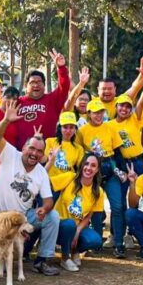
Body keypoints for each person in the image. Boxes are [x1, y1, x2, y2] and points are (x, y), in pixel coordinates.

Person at [0, 100, 61, 276]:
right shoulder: (11, 153)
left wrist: (44, 208)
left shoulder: (41, 172)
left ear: (43, 155)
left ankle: (42, 260)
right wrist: (6, 120)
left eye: (39, 152)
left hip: (20, 218)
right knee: (0, 269)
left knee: (53, 216)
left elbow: (49, 200)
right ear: (24, 147)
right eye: (31, 148)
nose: (34, 153)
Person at [77, 98, 127, 258]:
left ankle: (119, 243)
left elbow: (118, 152)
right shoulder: (82, 131)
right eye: (95, 113)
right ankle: (97, 242)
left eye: (101, 112)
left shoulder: (110, 127)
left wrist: (123, 170)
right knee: (96, 210)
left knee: (118, 207)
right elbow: (79, 153)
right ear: (89, 114)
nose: (98, 115)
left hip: (109, 168)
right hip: (92, 172)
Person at [55, 153, 106, 271]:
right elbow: (47, 183)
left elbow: (88, 216)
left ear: (97, 169)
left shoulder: (98, 191)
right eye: (86, 164)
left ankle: (74, 251)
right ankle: (65, 258)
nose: (89, 168)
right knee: (69, 224)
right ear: (82, 164)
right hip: (60, 225)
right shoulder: (70, 177)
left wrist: (77, 232)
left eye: (93, 165)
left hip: (76, 226)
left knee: (95, 240)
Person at [13, 49, 71, 148]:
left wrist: (61, 68)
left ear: (44, 85)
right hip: (21, 154)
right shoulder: (17, 102)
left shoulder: (52, 100)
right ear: (26, 86)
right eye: (32, 82)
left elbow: (64, 86)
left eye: (39, 82)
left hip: (46, 154)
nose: (36, 85)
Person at [44, 112, 85, 193]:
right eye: (65, 127)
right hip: (48, 185)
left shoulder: (78, 148)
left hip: (66, 186)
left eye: (71, 127)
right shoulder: (50, 141)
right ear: (60, 128)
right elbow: (43, 161)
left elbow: (81, 169)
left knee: (72, 174)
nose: (68, 131)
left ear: (75, 129)